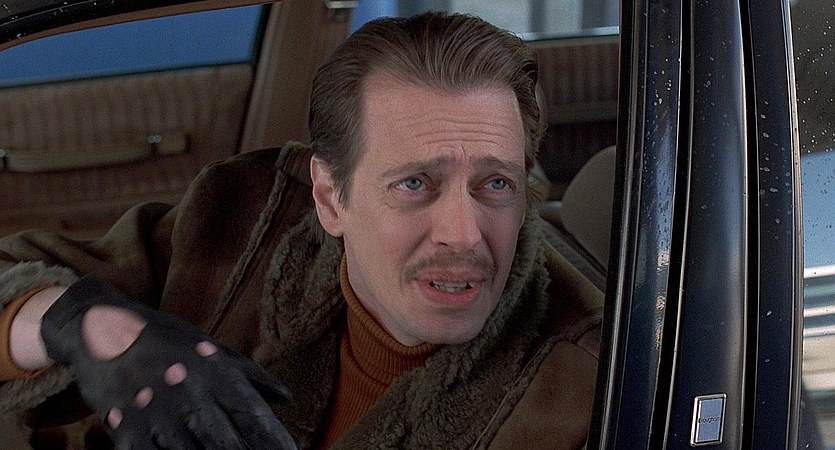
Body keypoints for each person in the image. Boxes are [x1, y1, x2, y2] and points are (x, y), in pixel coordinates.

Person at [0, 11, 603, 449]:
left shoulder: (590, 386)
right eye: (416, 183)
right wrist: (75, 320)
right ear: (329, 197)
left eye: (495, 184)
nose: (465, 235)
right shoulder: (240, 217)